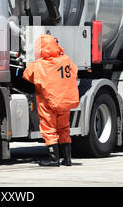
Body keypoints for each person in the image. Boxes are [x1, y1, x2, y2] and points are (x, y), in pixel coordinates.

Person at [23, 34, 79, 166]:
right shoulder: (66, 60)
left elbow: (26, 75)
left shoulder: (38, 65)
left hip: (47, 102)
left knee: (49, 128)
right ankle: (67, 159)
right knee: (64, 128)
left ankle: (54, 159)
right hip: (64, 101)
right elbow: (75, 72)